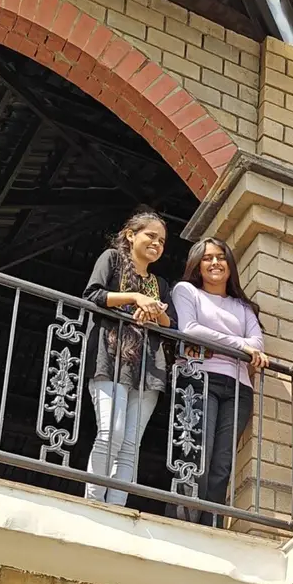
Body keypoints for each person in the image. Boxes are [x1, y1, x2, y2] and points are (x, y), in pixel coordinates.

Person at [170, 238, 267, 523]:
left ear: (230, 265)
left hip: (239, 388)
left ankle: (211, 524)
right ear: (197, 265)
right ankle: (185, 520)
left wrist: (241, 347)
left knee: (222, 463)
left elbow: (258, 344)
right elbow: (190, 329)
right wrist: (241, 347)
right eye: (207, 258)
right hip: (199, 378)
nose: (215, 263)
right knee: (196, 452)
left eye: (221, 257)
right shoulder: (186, 291)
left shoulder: (243, 305)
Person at [83, 207, 173, 506]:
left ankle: (117, 506)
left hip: (148, 365)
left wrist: (156, 311)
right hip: (110, 354)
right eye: (151, 236)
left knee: (130, 445)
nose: (157, 244)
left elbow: (170, 326)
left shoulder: (160, 285)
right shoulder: (112, 259)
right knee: (112, 431)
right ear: (131, 235)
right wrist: (135, 297)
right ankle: (94, 501)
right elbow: (93, 295)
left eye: (162, 241)